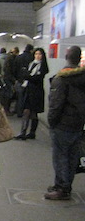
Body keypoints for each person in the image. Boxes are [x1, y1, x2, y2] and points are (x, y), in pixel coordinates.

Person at [44, 46, 85, 200]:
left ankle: (62, 188)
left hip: (62, 123)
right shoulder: (82, 77)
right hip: (78, 123)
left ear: (66, 56)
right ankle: (65, 185)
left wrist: (51, 121)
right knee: (72, 156)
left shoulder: (61, 78)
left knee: (60, 156)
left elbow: (56, 103)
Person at [15, 48, 48, 139]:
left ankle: (32, 132)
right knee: (26, 111)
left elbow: (35, 79)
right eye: (36, 54)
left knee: (33, 113)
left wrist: (27, 75)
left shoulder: (43, 67)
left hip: (37, 92)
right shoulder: (31, 64)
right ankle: (23, 132)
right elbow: (28, 76)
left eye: (39, 54)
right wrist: (28, 76)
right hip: (29, 91)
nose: (37, 56)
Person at [13, 44, 34, 117]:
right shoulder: (32, 58)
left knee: (20, 97)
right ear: (31, 50)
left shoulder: (18, 57)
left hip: (19, 80)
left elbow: (14, 69)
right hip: (28, 80)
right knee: (27, 98)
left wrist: (16, 78)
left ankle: (19, 112)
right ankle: (27, 113)